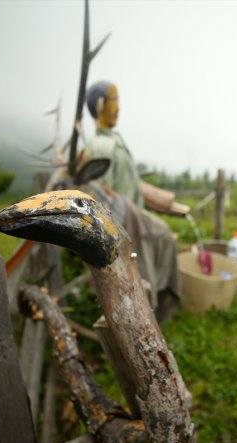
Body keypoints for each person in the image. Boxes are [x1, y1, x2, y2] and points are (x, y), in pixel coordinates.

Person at [76, 80, 181, 322]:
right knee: (142, 265)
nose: (118, 107)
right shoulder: (100, 146)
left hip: (136, 216)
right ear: (100, 104)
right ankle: (143, 318)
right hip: (123, 224)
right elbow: (103, 198)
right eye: (114, 100)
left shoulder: (113, 141)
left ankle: (160, 304)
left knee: (164, 237)